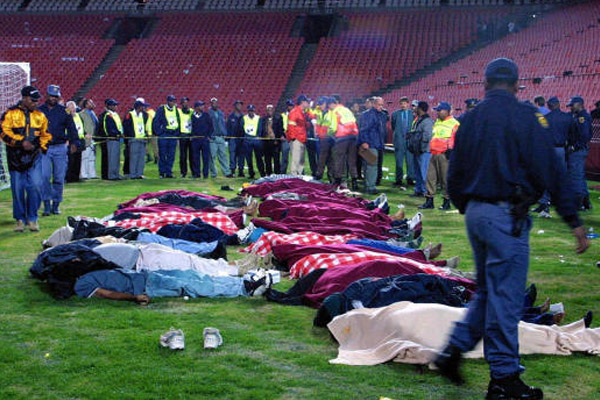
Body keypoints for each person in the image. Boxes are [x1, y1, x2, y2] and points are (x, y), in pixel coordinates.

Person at [434, 58, 589, 400]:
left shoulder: (470, 118)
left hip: (477, 211)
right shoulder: (526, 116)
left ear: (486, 84)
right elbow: (550, 169)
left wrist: (469, 206)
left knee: (489, 291)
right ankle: (504, 378)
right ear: (518, 85)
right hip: (506, 212)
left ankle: (453, 350)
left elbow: (455, 172)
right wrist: (573, 219)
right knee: (505, 298)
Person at [1, 85, 51, 232]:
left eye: (37, 100)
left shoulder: (40, 116)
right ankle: (20, 220)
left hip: (34, 157)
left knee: (35, 186)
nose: (36, 103)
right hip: (15, 158)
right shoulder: (10, 113)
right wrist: (20, 143)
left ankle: (33, 218)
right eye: (33, 100)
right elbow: (3, 132)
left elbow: (46, 134)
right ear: (24, 98)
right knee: (17, 190)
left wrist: (42, 147)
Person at [73, 268, 273, 305]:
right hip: (146, 285)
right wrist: (134, 298)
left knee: (193, 275)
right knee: (191, 285)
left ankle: (241, 282)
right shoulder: (82, 284)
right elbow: (107, 294)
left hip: (146, 275)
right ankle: (245, 289)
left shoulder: (86, 272)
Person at [38, 84, 78, 216]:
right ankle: (46, 205)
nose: (53, 98)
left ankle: (56, 204)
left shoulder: (64, 111)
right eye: (51, 96)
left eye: (56, 96)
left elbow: (71, 128)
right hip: (44, 148)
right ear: (46, 95)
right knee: (44, 177)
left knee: (59, 178)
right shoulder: (39, 111)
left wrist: (74, 142)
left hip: (60, 147)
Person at [532, 96, 575, 217]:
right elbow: (572, 134)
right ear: (559, 105)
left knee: (546, 176)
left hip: (548, 150)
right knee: (561, 177)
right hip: (561, 149)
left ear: (549, 106)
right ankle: (562, 203)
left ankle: (544, 203)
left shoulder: (545, 118)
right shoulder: (567, 117)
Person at [420, 101, 459, 210]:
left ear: (447, 111)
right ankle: (429, 201)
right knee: (430, 178)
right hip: (433, 153)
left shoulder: (454, 123)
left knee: (445, 179)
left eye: (439, 110)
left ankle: (446, 202)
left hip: (444, 155)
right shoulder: (437, 122)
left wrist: (451, 150)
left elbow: (457, 139)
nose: (437, 112)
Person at [566, 95, 593, 211]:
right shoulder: (580, 116)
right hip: (580, 149)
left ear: (580, 105)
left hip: (578, 150)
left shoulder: (582, 118)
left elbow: (585, 136)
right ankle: (586, 202)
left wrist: (574, 146)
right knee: (580, 175)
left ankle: (578, 203)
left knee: (575, 176)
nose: (571, 107)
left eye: (573, 105)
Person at [357, 96, 386, 194]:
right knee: (371, 165)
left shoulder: (381, 114)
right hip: (370, 143)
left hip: (377, 144)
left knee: (370, 165)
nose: (381, 107)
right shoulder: (368, 115)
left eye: (382, 105)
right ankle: (370, 187)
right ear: (374, 104)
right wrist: (364, 142)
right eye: (379, 104)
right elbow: (363, 129)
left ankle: (369, 185)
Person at [330, 97, 359, 190]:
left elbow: (333, 127)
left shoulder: (335, 111)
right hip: (353, 136)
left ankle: (338, 180)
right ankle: (354, 181)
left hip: (342, 138)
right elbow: (354, 122)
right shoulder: (347, 110)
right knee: (352, 160)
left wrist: (330, 134)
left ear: (333, 104)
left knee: (339, 159)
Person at [406, 101, 433, 198]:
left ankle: (425, 191)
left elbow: (427, 136)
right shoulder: (419, 119)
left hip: (424, 150)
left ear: (420, 109)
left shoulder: (427, 121)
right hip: (417, 150)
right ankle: (418, 190)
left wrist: (417, 140)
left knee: (424, 172)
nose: (415, 109)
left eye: (417, 107)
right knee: (417, 172)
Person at [152, 94, 180, 178]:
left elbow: (178, 120)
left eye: (174, 101)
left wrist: (177, 132)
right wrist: (159, 132)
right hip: (164, 134)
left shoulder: (176, 110)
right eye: (171, 101)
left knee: (171, 154)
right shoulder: (161, 109)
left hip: (173, 134)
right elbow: (156, 121)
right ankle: (162, 172)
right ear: (168, 101)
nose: (173, 103)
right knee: (163, 154)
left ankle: (169, 172)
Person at [391, 96, 415, 188]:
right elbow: (393, 126)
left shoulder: (413, 114)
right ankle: (398, 180)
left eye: (404, 103)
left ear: (408, 104)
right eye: (401, 104)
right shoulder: (395, 114)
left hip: (409, 141)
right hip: (399, 141)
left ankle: (410, 179)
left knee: (410, 161)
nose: (403, 105)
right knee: (399, 162)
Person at [123, 100, 149, 179]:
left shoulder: (143, 115)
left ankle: (139, 173)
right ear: (138, 107)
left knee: (141, 158)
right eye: (142, 106)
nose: (143, 108)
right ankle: (133, 174)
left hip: (142, 138)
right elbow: (126, 126)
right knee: (134, 157)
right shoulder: (130, 114)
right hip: (134, 139)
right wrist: (130, 136)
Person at [208, 97, 232, 178]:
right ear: (211, 104)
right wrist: (209, 135)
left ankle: (227, 172)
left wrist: (225, 133)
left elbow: (224, 124)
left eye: (215, 103)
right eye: (213, 103)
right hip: (213, 137)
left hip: (221, 137)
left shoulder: (221, 113)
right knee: (212, 156)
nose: (214, 104)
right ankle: (213, 173)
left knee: (223, 155)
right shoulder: (208, 113)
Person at [287, 95, 311, 176]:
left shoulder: (301, 112)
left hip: (301, 138)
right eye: (307, 102)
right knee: (296, 160)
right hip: (297, 139)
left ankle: (299, 176)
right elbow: (291, 126)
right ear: (302, 102)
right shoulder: (295, 112)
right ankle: (294, 177)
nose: (308, 103)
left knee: (301, 161)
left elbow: (303, 126)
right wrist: (293, 138)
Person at [101, 98, 124, 180]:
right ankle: (112, 175)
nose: (116, 107)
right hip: (112, 139)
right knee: (112, 158)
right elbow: (109, 128)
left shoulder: (115, 115)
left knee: (117, 158)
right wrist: (117, 133)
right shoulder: (108, 115)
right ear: (109, 106)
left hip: (117, 139)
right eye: (114, 105)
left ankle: (116, 173)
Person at [314, 97, 335, 182]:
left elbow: (333, 126)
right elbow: (318, 125)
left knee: (327, 158)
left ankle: (326, 175)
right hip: (323, 138)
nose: (320, 106)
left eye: (321, 104)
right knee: (324, 157)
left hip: (329, 138)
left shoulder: (332, 113)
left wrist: (326, 134)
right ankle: (322, 175)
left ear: (326, 104)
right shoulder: (320, 113)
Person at [190, 101, 213, 179]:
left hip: (204, 139)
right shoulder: (192, 116)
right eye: (201, 105)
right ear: (196, 107)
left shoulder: (206, 115)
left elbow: (211, 126)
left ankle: (205, 173)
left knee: (205, 157)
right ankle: (197, 173)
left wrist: (209, 136)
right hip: (195, 139)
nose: (202, 107)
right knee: (195, 157)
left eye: (203, 105)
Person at [259, 104, 283, 175]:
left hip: (275, 142)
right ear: (266, 111)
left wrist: (277, 140)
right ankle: (268, 173)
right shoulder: (263, 119)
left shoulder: (278, 119)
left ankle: (277, 174)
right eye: (268, 110)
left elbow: (280, 130)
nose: (270, 111)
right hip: (266, 142)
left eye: (271, 110)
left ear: (273, 110)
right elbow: (262, 130)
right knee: (267, 159)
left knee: (276, 159)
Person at [242, 104, 265, 179]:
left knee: (259, 158)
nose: (251, 112)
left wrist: (258, 136)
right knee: (248, 158)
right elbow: (241, 128)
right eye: (249, 111)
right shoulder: (244, 118)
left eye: (252, 111)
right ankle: (251, 173)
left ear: (254, 111)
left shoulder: (258, 118)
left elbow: (260, 128)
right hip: (247, 140)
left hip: (256, 140)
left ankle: (262, 173)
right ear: (247, 111)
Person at [65, 101, 85, 183]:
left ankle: (76, 177)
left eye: (73, 107)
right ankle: (69, 178)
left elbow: (82, 126)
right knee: (70, 160)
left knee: (78, 159)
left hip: (79, 139)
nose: (72, 109)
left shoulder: (78, 116)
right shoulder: (66, 116)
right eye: (70, 107)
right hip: (70, 140)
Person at [78, 99, 98, 180]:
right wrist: (85, 133)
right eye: (90, 103)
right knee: (85, 156)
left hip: (93, 137)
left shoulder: (93, 113)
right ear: (86, 105)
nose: (92, 104)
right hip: (86, 138)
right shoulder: (81, 114)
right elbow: (80, 125)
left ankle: (92, 173)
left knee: (92, 157)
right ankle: (84, 174)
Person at [226, 99, 245, 177]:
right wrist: (228, 138)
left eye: (240, 105)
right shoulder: (230, 116)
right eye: (238, 104)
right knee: (232, 155)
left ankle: (241, 171)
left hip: (241, 139)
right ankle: (232, 171)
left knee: (241, 155)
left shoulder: (244, 117)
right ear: (234, 106)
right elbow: (228, 127)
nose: (239, 106)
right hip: (233, 138)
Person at [177, 97, 193, 178]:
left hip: (190, 135)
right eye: (183, 102)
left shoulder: (192, 111)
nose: (185, 104)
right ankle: (183, 172)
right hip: (182, 135)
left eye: (186, 102)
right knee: (183, 156)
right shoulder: (179, 112)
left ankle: (194, 171)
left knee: (192, 155)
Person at [280, 99, 294, 173]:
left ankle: (300, 173)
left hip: (294, 138)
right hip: (285, 137)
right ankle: (282, 172)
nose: (290, 107)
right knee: (284, 157)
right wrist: (281, 135)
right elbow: (280, 127)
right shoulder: (282, 115)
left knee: (296, 157)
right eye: (289, 106)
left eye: (291, 106)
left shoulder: (296, 114)